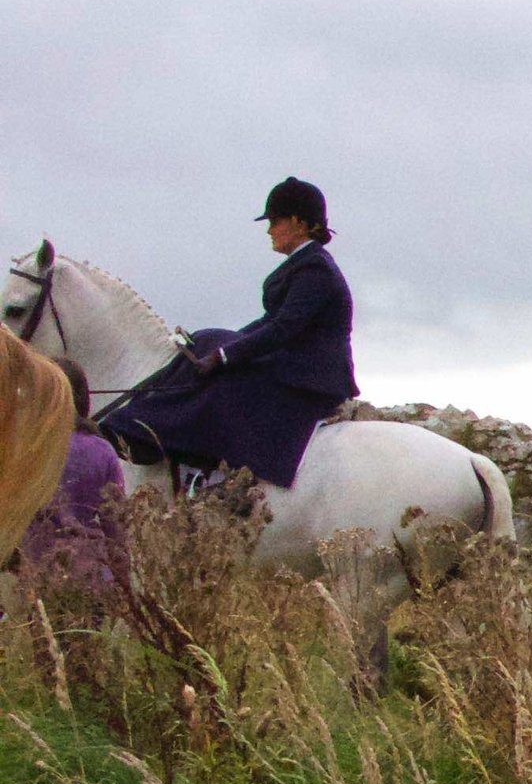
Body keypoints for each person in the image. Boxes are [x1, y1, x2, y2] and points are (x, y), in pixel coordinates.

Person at [100, 178, 357, 490]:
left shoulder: (315, 269)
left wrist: (225, 356)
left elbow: (283, 328)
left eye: (275, 221)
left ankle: (212, 474)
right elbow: (269, 321)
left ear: (299, 222)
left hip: (311, 376)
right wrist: (224, 345)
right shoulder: (304, 264)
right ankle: (145, 432)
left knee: (225, 385)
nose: (269, 230)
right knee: (208, 338)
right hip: (294, 363)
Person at [20, 360, 125, 593]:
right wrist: (124, 583)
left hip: (39, 582)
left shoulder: (24, 450)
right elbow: (116, 527)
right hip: (94, 579)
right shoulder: (103, 450)